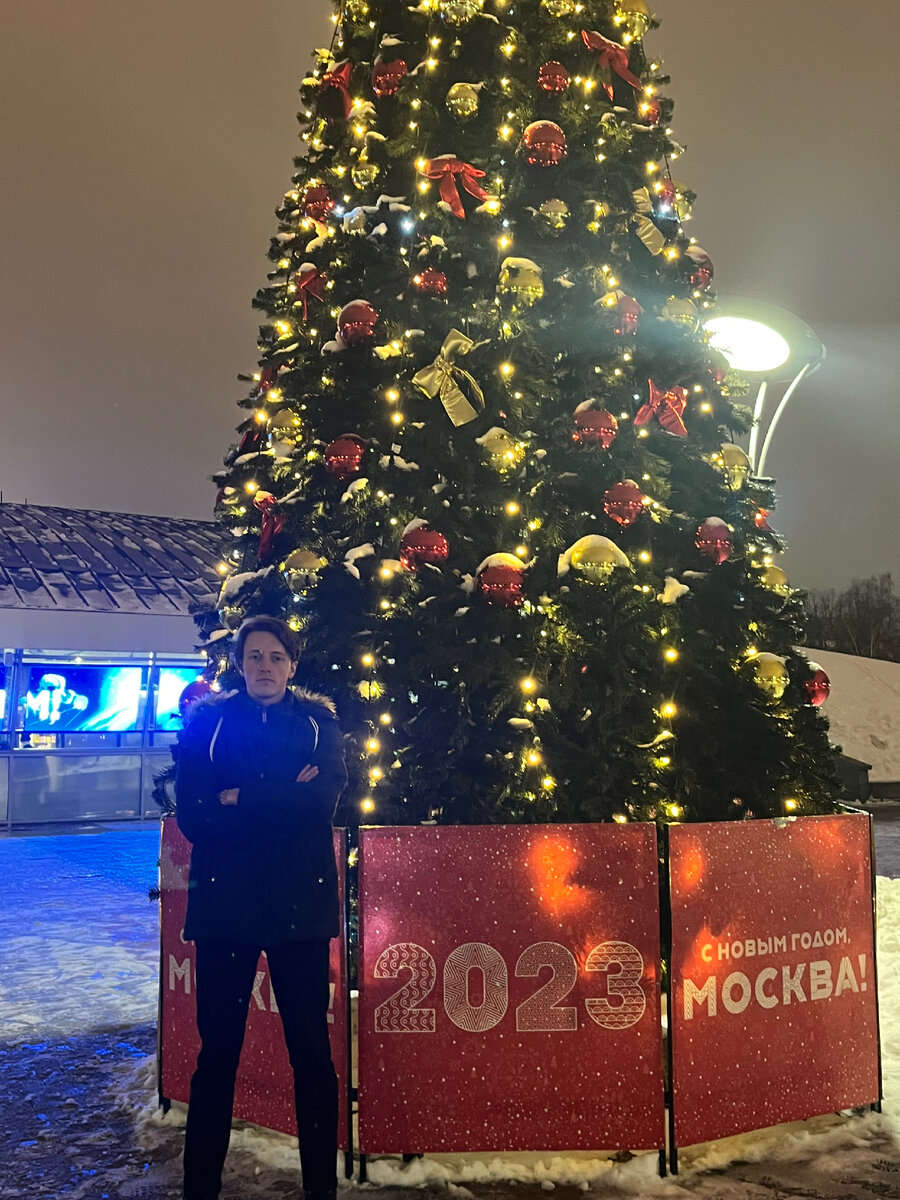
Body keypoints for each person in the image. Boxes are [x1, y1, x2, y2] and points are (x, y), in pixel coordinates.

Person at [175, 615, 347, 1200]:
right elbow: (196, 815)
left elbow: (319, 806)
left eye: (276, 657)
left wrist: (241, 795)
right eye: (254, 656)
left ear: (293, 665)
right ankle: (199, 1189)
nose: (265, 667)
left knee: (312, 1056)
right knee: (217, 1056)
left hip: (301, 912)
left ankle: (320, 1190)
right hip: (226, 909)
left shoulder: (320, 727)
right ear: (240, 664)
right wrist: (283, 800)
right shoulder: (209, 725)